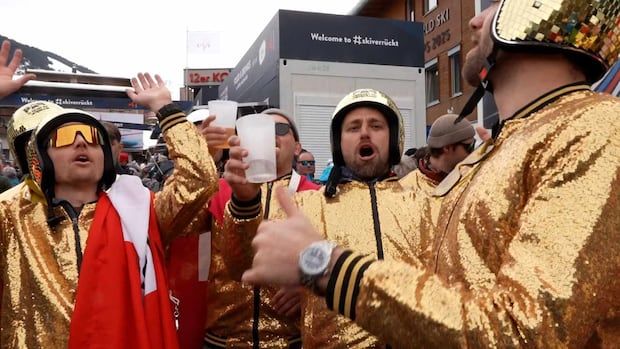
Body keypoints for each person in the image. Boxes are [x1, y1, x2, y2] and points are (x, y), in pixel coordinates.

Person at [239, 0, 620, 347]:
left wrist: (323, 265)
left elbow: (526, 331)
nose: (474, 19)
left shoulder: (594, 127)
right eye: (353, 128)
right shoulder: (501, 149)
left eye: (494, 7)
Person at [0, 73, 219, 348]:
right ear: (39, 156)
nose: (82, 143)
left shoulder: (140, 210)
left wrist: (166, 109)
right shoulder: (10, 212)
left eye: (93, 137)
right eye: (66, 136)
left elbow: (199, 181)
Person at [222, 89, 426, 347]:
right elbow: (242, 266)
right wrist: (244, 202)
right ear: (338, 143)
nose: (365, 132)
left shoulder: (426, 205)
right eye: (353, 127)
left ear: (394, 137)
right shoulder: (307, 205)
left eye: (376, 125)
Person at [201, 108, 319, 348]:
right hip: (222, 339)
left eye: (280, 129)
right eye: (262, 128)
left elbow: (339, 262)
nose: (270, 133)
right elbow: (176, 223)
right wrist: (202, 155)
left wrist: (311, 289)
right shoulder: (220, 189)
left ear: (297, 147)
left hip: (291, 340)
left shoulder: (319, 197)